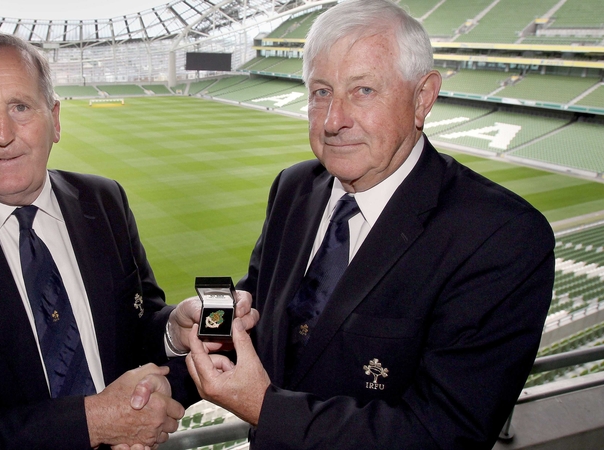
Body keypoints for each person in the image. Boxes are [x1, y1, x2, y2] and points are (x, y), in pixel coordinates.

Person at [185, 0, 555, 448]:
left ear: (423, 98)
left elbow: (445, 435)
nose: (334, 121)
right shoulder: (294, 187)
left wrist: (265, 407)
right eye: (322, 92)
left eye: (363, 90)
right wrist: (208, 329)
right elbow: (264, 306)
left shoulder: (502, 237)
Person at [0, 31, 254, 450]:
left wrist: (172, 333)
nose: (2, 133)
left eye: (20, 107)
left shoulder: (104, 201)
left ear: (55, 118)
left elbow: (136, 326)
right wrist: (93, 422)